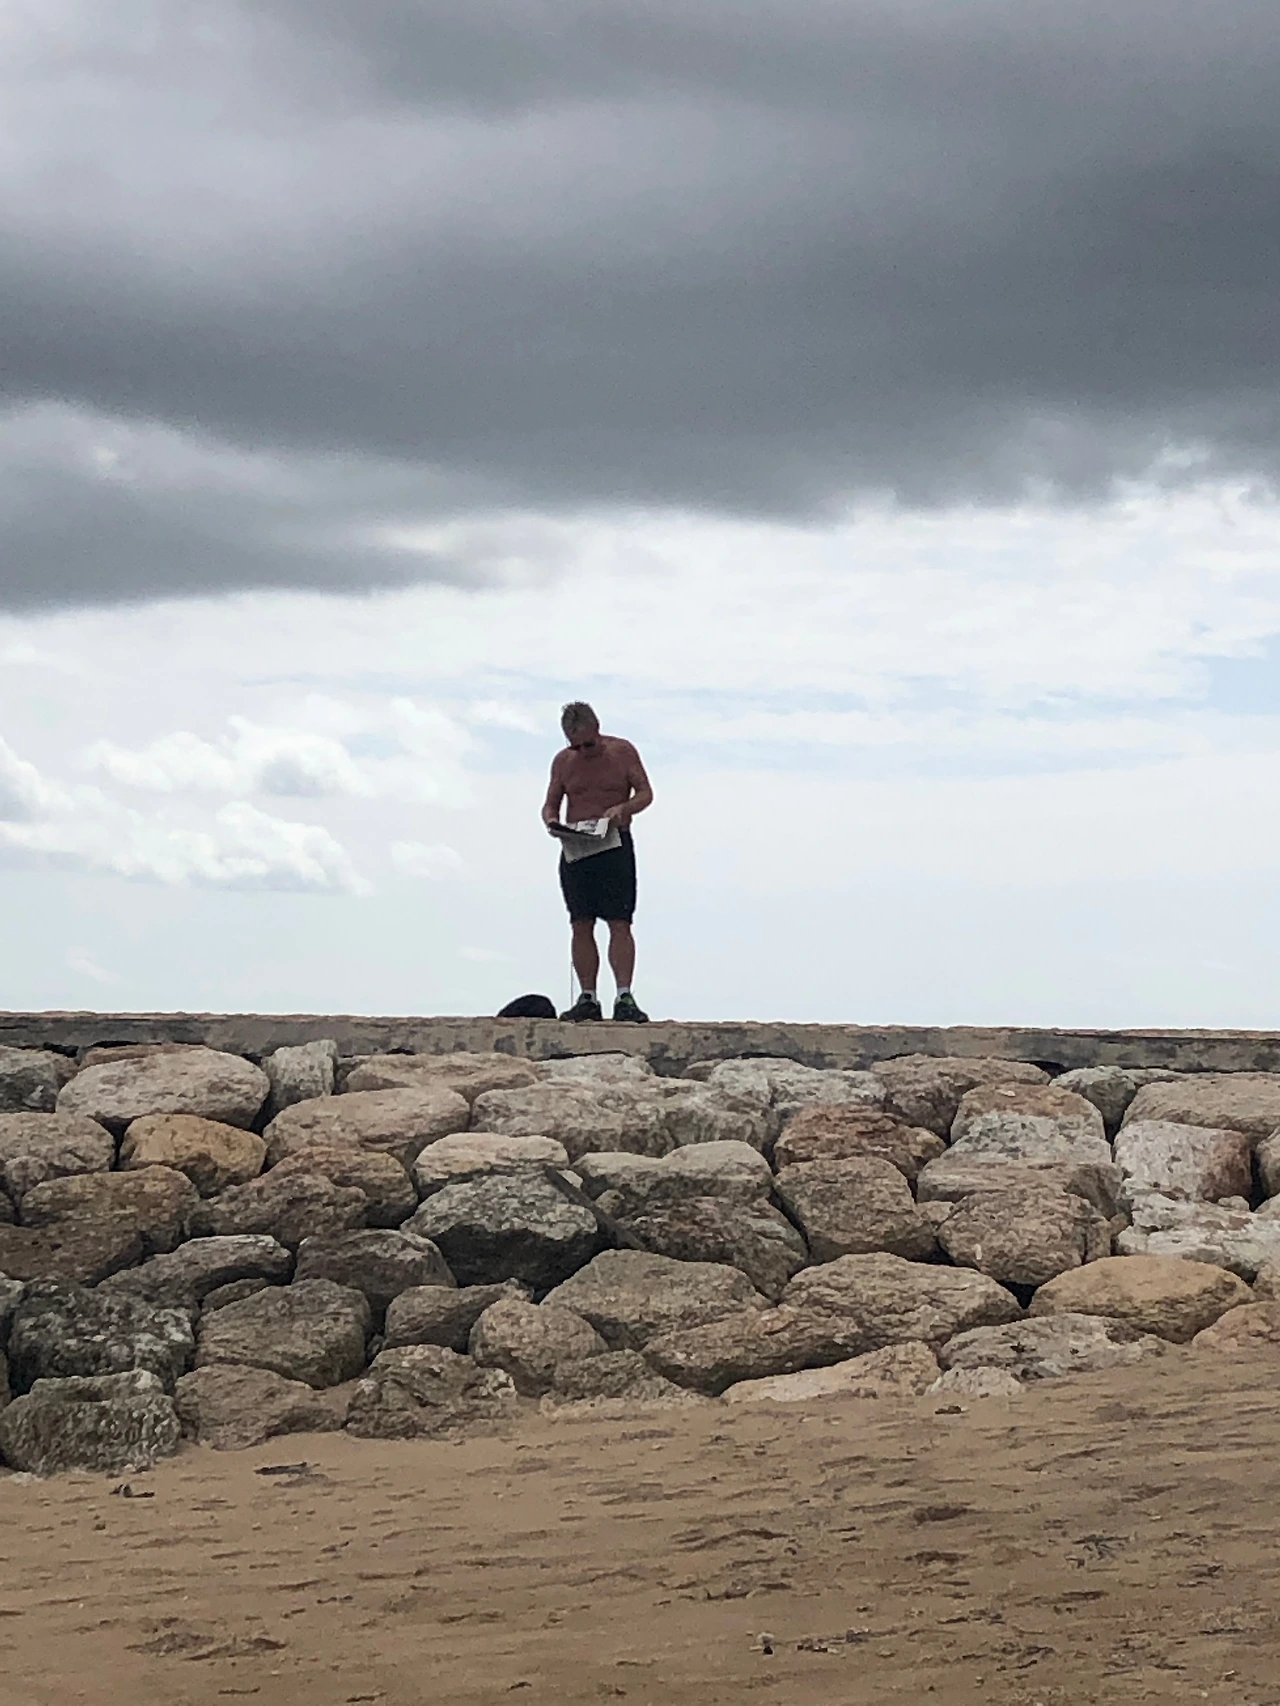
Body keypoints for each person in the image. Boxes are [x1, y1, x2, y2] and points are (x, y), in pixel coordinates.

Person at [542, 701, 654, 1021]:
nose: (583, 752)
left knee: (619, 921)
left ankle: (624, 995)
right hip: (577, 845)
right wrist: (552, 822)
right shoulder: (563, 762)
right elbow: (550, 804)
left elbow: (645, 793)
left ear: (597, 729)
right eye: (575, 746)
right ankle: (588, 997)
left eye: (588, 744)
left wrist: (623, 809)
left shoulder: (622, 752)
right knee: (580, 922)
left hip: (613, 842)